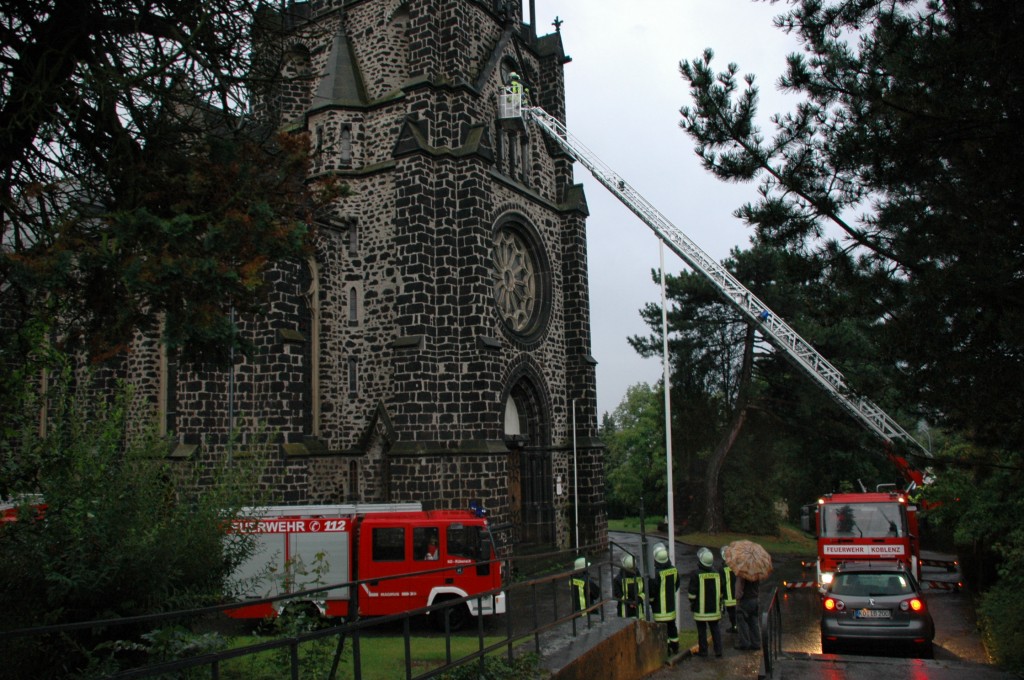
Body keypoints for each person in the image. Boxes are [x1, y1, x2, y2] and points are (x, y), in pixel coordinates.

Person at [688, 546, 723, 658]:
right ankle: (718, 650)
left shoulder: (696, 574)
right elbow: (722, 592)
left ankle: (703, 651)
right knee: (715, 630)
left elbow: (692, 593)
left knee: (702, 631)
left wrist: (692, 603)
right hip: (714, 609)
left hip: (701, 610)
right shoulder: (717, 574)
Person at [648, 543, 680, 655]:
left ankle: (666, 651)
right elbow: (676, 585)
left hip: (660, 609)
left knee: (662, 630)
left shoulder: (655, 574)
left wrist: (651, 601)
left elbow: (652, 591)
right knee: (672, 628)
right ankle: (675, 647)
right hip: (671, 607)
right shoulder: (674, 570)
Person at [613, 554, 644, 619]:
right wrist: (637, 601)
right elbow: (644, 592)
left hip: (624, 613)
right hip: (639, 611)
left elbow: (617, 594)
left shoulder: (618, 579)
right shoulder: (639, 577)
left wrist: (630, 602)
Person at [735, 574, 761, 651]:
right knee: (754, 621)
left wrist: (737, 598)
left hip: (745, 600)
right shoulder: (757, 573)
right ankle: (756, 643)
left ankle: (744, 643)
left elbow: (739, 588)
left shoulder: (743, 574)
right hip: (755, 599)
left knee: (741, 621)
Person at [720, 547, 738, 633]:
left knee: (731, 613)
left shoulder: (722, 569)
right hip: (737, 594)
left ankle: (734, 626)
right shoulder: (735, 566)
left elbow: (721, 583)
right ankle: (736, 626)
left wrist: (721, 596)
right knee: (737, 612)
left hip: (729, 595)